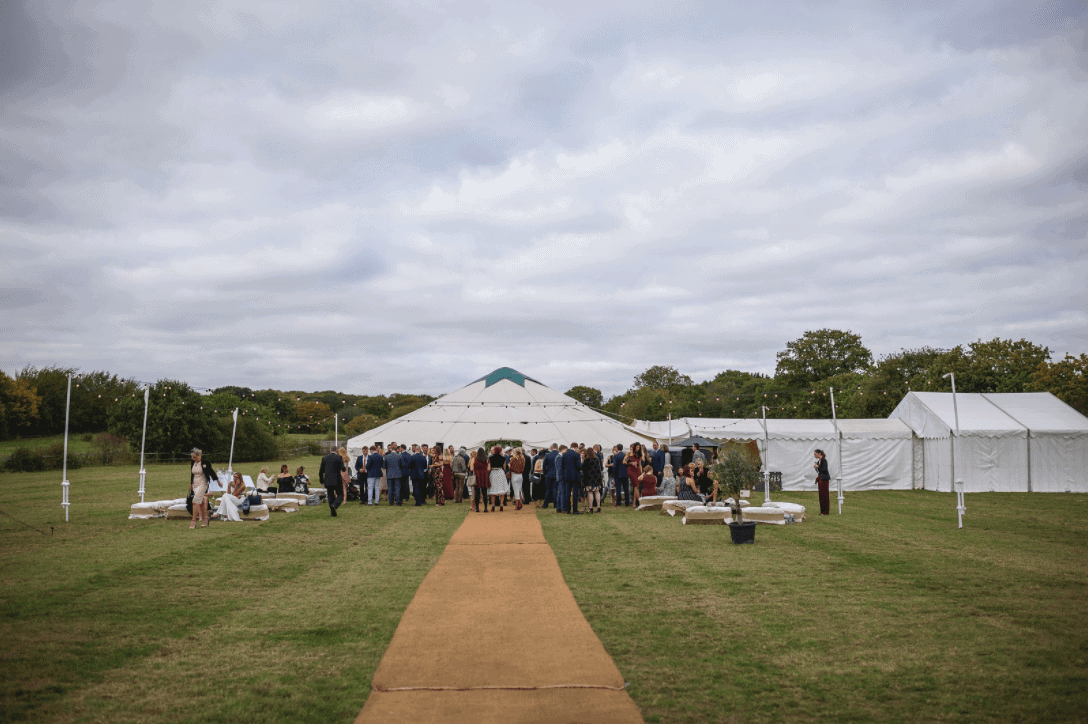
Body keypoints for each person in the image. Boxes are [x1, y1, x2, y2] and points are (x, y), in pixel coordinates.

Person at [188, 448, 216, 529]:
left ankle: (193, 521)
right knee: (202, 502)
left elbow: (211, 471)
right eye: (192, 457)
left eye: (195, 457)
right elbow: (192, 474)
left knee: (195, 501)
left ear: (199, 456)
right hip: (195, 484)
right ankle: (205, 519)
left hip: (203, 483)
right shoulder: (193, 462)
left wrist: (217, 480)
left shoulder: (205, 462)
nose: (193, 459)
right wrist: (191, 483)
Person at [320, 448, 346, 516]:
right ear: (336, 451)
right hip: (337, 480)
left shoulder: (324, 458)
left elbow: (321, 471)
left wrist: (321, 480)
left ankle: (333, 512)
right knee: (340, 494)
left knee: (330, 495)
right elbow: (343, 469)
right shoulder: (339, 457)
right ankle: (335, 505)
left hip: (328, 480)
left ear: (330, 450)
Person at [561, 441, 582, 514]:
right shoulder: (577, 455)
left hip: (567, 476)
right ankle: (575, 510)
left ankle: (568, 509)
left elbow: (562, 466)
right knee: (575, 494)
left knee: (567, 493)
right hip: (575, 476)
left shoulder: (564, 455)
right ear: (576, 447)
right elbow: (579, 466)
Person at [582, 445, 603, 513]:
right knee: (597, 492)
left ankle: (590, 508)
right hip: (596, 478)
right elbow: (599, 469)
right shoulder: (596, 459)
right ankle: (598, 507)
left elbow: (583, 468)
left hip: (589, 478)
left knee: (590, 492)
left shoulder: (586, 460)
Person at [488, 445, 509, 511]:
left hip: (493, 472)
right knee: (501, 490)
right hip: (500, 472)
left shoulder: (490, 458)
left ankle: (493, 506)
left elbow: (489, 467)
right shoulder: (503, 458)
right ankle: (501, 505)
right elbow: (504, 467)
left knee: (493, 490)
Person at [625, 442, 645, 507]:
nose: (638, 448)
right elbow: (624, 461)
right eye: (637, 447)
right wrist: (631, 463)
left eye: (639, 447)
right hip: (631, 470)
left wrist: (641, 473)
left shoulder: (639, 454)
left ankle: (634, 503)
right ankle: (640, 501)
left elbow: (640, 464)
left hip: (637, 470)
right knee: (636, 485)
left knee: (636, 486)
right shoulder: (629, 453)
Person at [541, 443, 558, 509]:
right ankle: (555, 504)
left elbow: (544, 465)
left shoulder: (547, 455)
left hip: (549, 474)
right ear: (557, 447)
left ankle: (545, 504)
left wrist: (545, 473)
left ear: (552, 447)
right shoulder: (559, 455)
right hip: (556, 475)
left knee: (548, 490)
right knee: (555, 490)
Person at [814, 449, 831, 515]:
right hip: (820, 479)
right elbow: (819, 471)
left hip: (824, 480)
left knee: (825, 495)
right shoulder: (819, 461)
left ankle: (825, 511)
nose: (814, 455)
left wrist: (818, 466)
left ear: (819, 454)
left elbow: (824, 470)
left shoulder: (824, 460)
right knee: (821, 495)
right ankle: (822, 511)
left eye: (815, 454)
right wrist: (816, 468)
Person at [473, 447, 490, 513]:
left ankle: (477, 508)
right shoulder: (486, 459)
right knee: (484, 493)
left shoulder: (475, 459)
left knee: (477, 493)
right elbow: (488, 469)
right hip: (484, 475)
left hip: (477, 476)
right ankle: (485, 508)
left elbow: (472, 468)